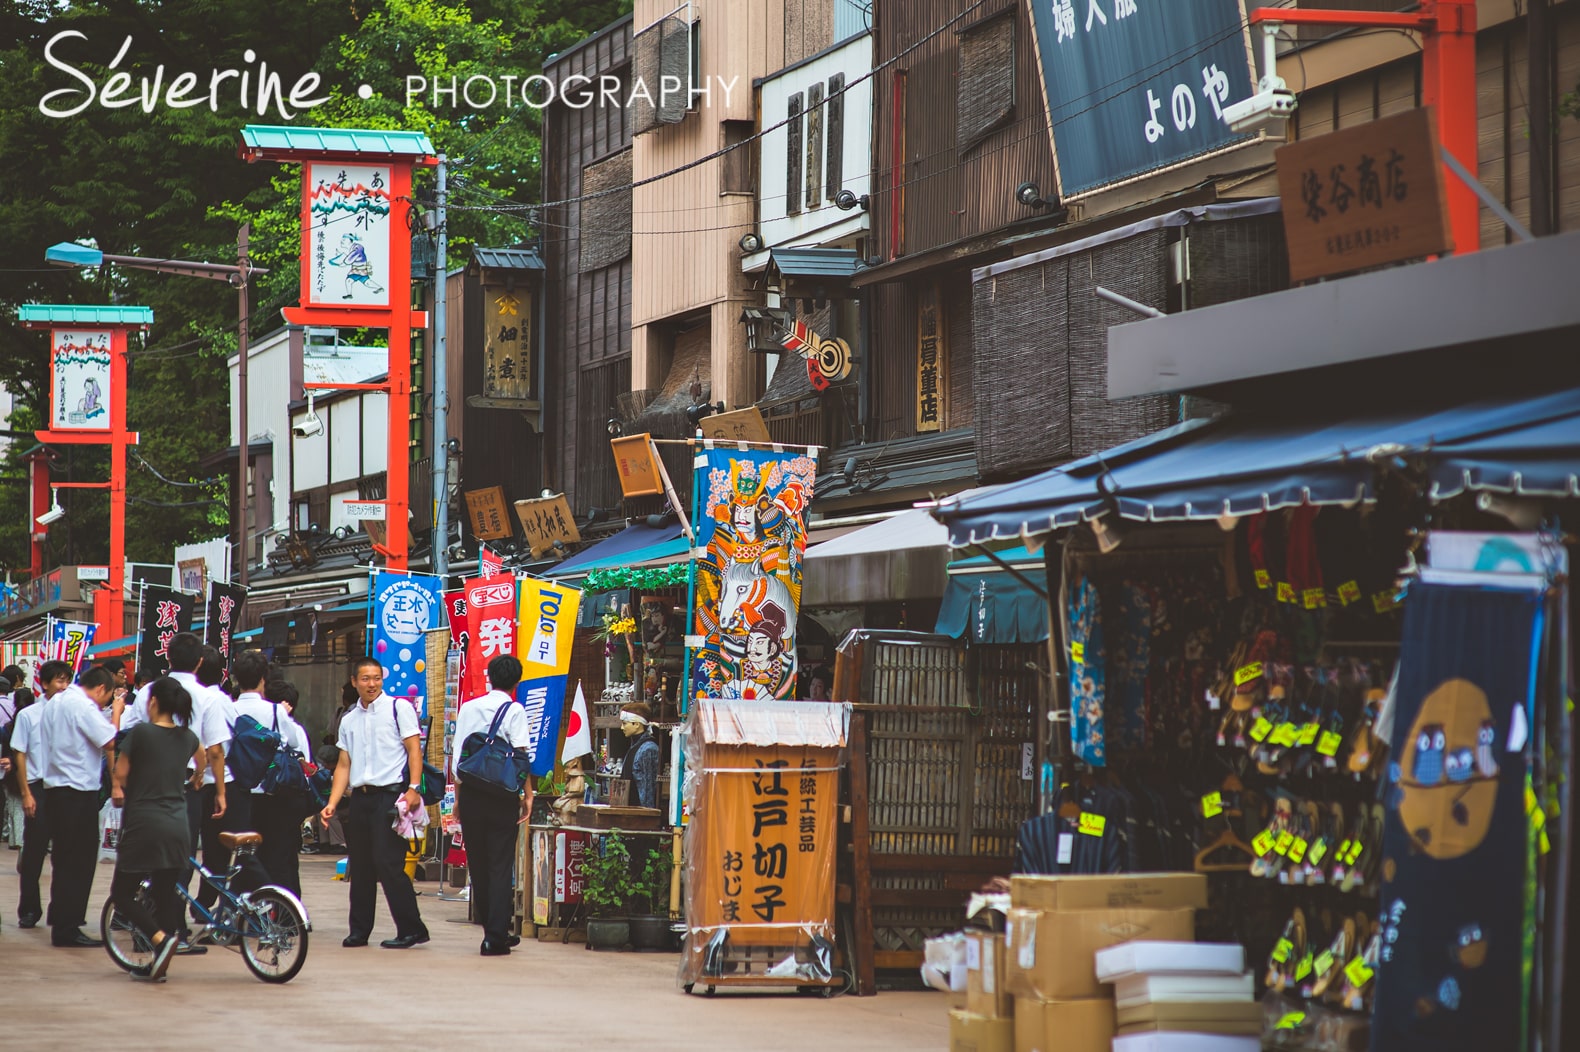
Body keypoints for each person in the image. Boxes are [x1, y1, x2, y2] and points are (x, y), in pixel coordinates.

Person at [120, 634, 230, 932]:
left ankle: (140, 917)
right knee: (179, 854)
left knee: (141, 849)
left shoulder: (146, 693)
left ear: (167, 657)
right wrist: (218, 790)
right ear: (199, 662)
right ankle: (172, 924)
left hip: (144, 786)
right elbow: (215, 751)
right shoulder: (207, 696)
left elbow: (128, 731)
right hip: (186, 789)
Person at [319, 656, 429, 949]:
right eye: (365, 679)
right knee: (362, 866)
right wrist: (332, 802)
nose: (372, 684)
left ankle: (412, 928)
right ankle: (359, 931)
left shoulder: (398, 708)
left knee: (389, 863)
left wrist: (414, 788)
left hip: (390, 797)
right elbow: (344, 763)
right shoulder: (350, 719)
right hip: (360, 800)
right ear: (354, 682)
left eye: (376, 678)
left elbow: (414, 750)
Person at [109, 677, 203, 982]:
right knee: (163, 894)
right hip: (178, 826)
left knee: (122, 895)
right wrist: (197, 778)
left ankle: (160, 940)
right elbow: (204, 758)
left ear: (152, 702)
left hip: (143, 824)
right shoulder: (187, 736)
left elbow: (121, 773)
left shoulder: (142, 732)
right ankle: (160, 962)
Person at [454, 654, 534, 956]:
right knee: (500, 864)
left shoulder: (469, 708)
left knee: (479, 864)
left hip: (472, 794)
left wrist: (459, 802)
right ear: (516, 682)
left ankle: (491, 929)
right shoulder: (515, 709)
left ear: (489, 677)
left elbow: (459, 757)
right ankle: (495, 936)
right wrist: (527, 795)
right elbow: (521, 756)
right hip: (502, 795)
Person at [37, 663, 117, 947]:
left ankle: (61, 920)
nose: (104, 704)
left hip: (56, 790)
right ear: (100, 688)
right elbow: (109, 739)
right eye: (106, 698)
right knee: (79, 862)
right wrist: (115, 715)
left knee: (63, 858)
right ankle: (69, 926)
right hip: (77, 792)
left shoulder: (55, 701)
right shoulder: (83, 706)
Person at [230, 655, 310, 895]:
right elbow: (293, 741)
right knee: (277, 856)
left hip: (238, 792)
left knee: (243, 856)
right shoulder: (276, 711)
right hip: (272, 792)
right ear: (263, 679)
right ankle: (282, 911)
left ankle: (244, 911)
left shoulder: (228, 709)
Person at [10, 662, 69, 928]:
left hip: (65, 789)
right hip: (38, 787)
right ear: (44, 684)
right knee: (34, 852)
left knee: (64, 855)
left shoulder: (72, 713)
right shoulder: (28, 715)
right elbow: (19, 755)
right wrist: (25, 793)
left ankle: (60, 911)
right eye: (58, 681)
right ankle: (29, 909)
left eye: (67, 681)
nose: (63, 686)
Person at [617, 700, 662, 809]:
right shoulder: (635, 747)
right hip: (628, 810)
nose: (622, 728)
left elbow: (648, 788)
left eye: (624, 723)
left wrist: (648, 815)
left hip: (639, 813)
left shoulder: (648, 749)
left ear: (636, 724)